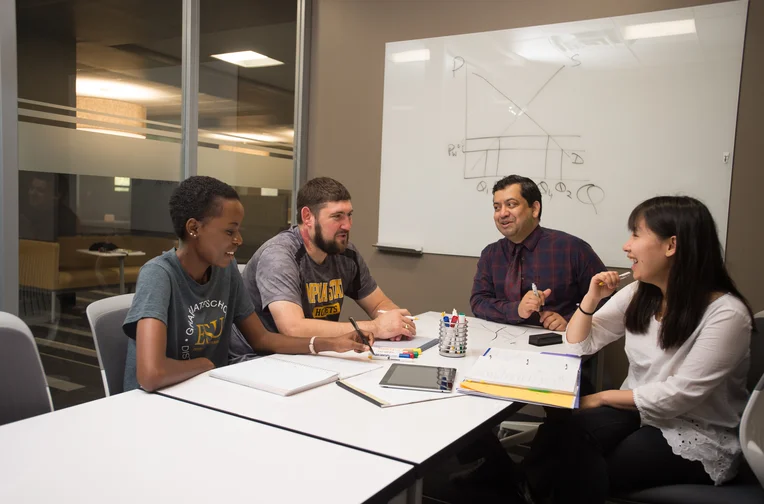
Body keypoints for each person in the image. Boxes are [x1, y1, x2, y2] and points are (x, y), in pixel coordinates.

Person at [519, 195, 754, 503]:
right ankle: (524, 488)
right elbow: (578, 345)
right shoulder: (639, 293)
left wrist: (600, 397)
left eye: (636, 234)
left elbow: (678, 396)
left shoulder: (726, 314)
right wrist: (590, 300)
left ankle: (523, 487)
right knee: (565, 430)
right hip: (639, 414)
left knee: (581, 459)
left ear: (671, 245)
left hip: (697, 432)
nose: (626, 246)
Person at [122, 176, 372, 392]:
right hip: (156, 403)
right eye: (229, 232)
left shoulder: (225, 270)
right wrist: (206, 365)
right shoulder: (158, 275)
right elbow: (151, 375)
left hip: (203, 389)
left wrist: (331, 343)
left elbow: (262, 338)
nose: (239, 240)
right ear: (194, 228)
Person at [230, 177, 414, 361]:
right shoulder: (279, 256)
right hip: (259, 358)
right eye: (337, 216)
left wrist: (395, 324)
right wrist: (376, 327)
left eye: (349, 215)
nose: (347, 225)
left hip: (313, 354)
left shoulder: (346, 254)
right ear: (307, 217)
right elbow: (293, 328)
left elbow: (378, 305)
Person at [470, 175, 606, 332]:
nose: (502, 213)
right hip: (500, 344)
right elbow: (478, 302)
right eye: (496, 207)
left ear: (534, 209)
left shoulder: (571, 248)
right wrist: (517, 310)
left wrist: (571, 320)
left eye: (511, 205)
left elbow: (607, 299)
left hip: (557, 345)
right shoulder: (491, 253)